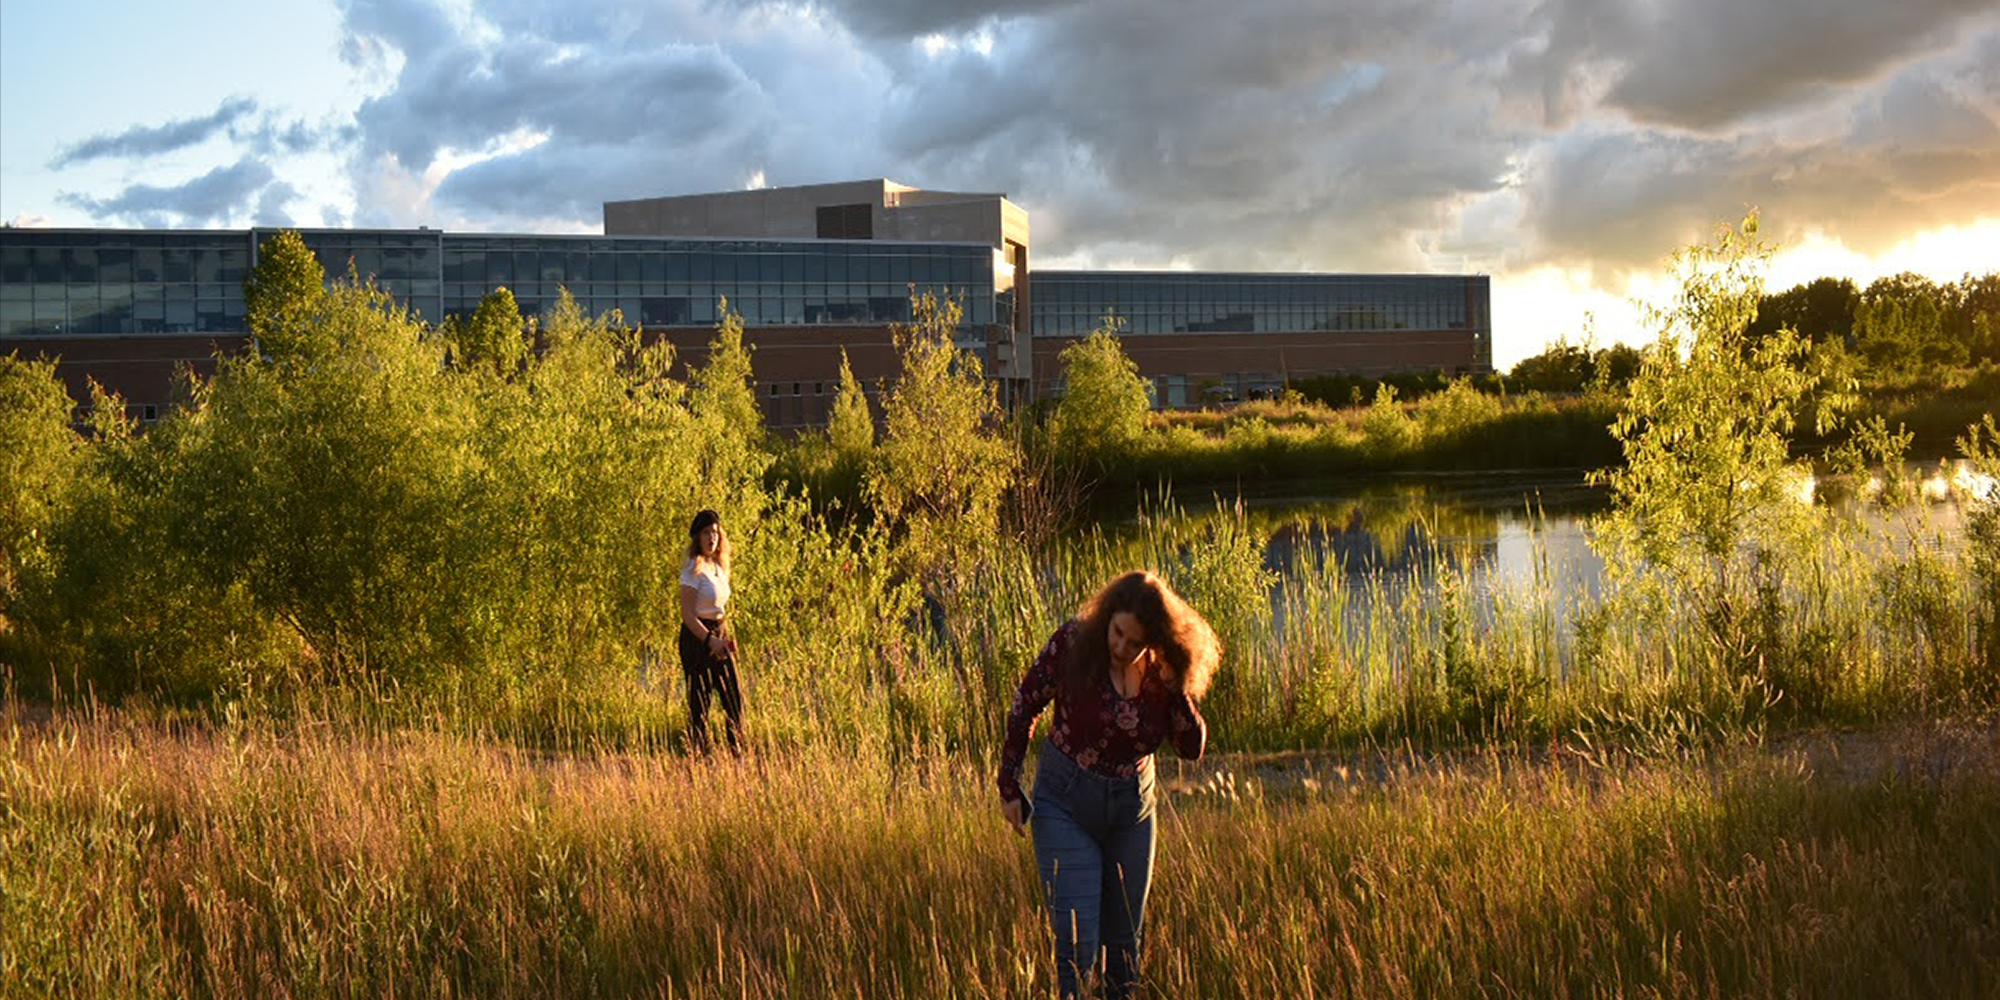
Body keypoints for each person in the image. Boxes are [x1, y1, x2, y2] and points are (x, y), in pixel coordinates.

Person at [997, 570, 1219, 1000]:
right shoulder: (1073, 644)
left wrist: (1178, 689)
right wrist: (1008, 784)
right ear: (1107, 619)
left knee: (1124, 952)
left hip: (1132, 812)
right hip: (1064, 803)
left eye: (1135, 643)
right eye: (1117, 633)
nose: (1121, 647)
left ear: (1153, 641)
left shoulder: (1161, 673)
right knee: (1079, 943)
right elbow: (1024, 705)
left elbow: (1191, 748)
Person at [678, 508, 743, 754]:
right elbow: (687, 615)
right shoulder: (692, 568)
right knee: (700, 701)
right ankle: (699, 756)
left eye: (715, 532)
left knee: (733, 697)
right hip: (697, 637)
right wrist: (709, 641)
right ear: (698, 537)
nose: (712, 537)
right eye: (706, 533)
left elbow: (719, 606)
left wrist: (723, 638)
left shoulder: (718, 565)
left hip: (719, 632)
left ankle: (736, 754)